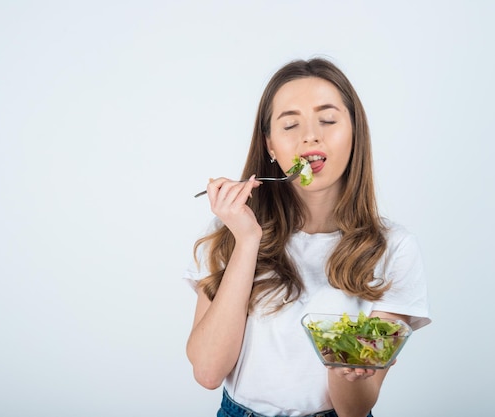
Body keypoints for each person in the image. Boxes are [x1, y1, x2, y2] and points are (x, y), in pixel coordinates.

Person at [184, 57, 431, 417]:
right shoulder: (231, 233)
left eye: (328, 120)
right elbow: (207, 372)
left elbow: (355, 409)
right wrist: (247, 241)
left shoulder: (394, 248)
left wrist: (349, 371)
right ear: (270, 146)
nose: (310, 135)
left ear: (355, 132)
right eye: (290, 124)